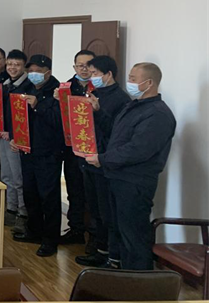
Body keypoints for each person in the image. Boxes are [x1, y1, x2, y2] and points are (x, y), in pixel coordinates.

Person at [86, 62, 176, 270]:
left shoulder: (158, 114)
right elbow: (115, 134)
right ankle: (120, 271)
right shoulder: (133, 106)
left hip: (135, 182)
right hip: (116, 177)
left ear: (149, 83)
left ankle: (138, 280)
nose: (129, 82)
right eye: (129, 77)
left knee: (134, 235)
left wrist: (103, 159)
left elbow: (137, 150)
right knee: (118, 228)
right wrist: (98, 112)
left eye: (134, 79)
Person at [74, 55, 130, 268]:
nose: (92, 77)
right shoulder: (95, 93)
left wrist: (97, 112)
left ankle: (113, 257)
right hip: (88, 158)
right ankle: (100, 250)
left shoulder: (121, 99)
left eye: (95, 73)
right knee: (95, 210)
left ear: (108, 74)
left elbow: (116, 133)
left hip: (105, 162)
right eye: (90, 73)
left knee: (108, 213)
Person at [11, 54, 64, 257]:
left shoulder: (58, 91)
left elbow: (59, 121)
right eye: (30, 70)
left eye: (38, 71)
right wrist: (16, 137)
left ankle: (50, 239)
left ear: (47, 72)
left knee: (48, 196)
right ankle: (34, 231)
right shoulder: (28, 87)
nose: (33, 74)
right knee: (30, 193)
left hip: (48, 152)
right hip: (28, 149)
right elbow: (19, 116)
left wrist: (37, 105)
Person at [56, 49, 94, 246]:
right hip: (71, 150)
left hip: (94, 151)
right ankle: (76, 229)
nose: (84, 69)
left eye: (88, 65)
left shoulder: (100, 88)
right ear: (74, 67)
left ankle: (95, 236)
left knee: (93, 194)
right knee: (74, 190)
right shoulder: (65, 88)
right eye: (80, 65)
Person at [0, 49, 33, 235]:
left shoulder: (28, 86)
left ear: (23, 66)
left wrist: (15, 136)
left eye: (17, 64)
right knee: (7, 175)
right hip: (3, 135)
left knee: (19, 177)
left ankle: (23, 213)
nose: (12, 67)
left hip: (17, 138)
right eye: (10, 64)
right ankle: (11, 208)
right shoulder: (5, 84)